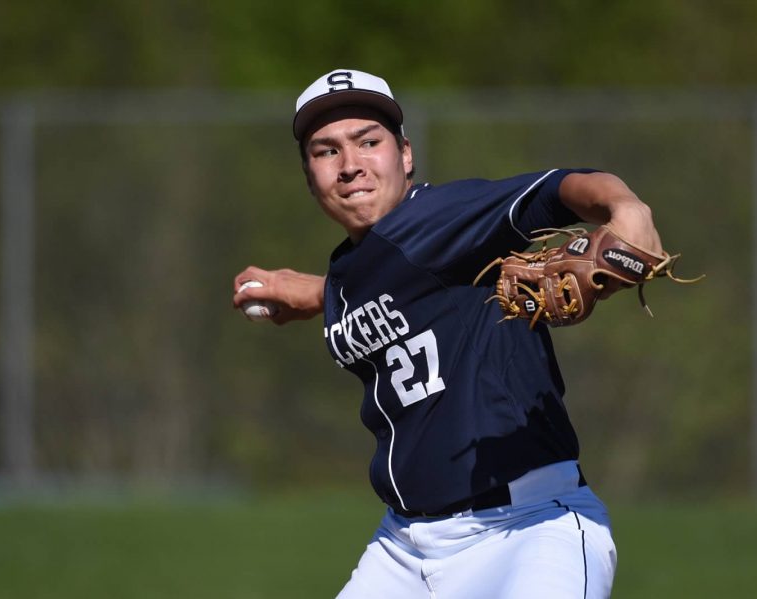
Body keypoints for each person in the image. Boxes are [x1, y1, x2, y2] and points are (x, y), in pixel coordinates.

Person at [233, 68, 663, 599]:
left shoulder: (440, 217)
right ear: (309, 177)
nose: (350, 166)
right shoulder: (350, 269)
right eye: (326, 152)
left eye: (369, 142)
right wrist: (313, 295)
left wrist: (626, 207)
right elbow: (410, 291)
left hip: (526, 531)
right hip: (404, 546)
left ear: (406, 155)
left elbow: (558, 189)